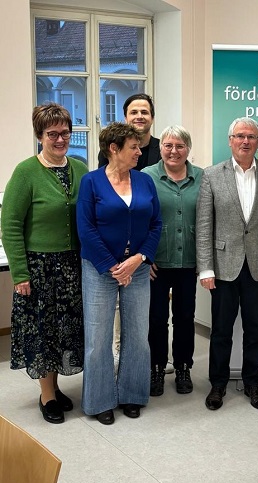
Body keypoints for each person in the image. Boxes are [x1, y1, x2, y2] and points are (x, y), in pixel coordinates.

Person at [1, 103, 87, 424]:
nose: (60, 139)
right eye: (53, 134)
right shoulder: (26, 172)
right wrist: (20, 273)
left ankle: (55, 386)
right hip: (39, 268)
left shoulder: (79, 168)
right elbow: (9, 224)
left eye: (65, 132)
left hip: (72, 265)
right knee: (44, 329)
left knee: (64, 329)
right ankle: (47, 395)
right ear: (40, 136)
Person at [196, 117, 258, 411]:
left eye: (251, 137)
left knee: (255, 330)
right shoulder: (212, 175)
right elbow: (204, 225)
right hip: (223, 267)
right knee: (221, 331)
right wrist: (206, 267)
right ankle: (218, 384)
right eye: (240, 136)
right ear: (230, 140)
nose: (245, 141)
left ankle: (252, 382)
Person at [77, 122, 161, 425]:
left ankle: (132, 395)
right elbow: (85, 229)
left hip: (137, 268)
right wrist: (114, 267)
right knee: (98, 337)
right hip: (100, 268)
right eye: (134, 147)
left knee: (138, 335)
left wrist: (138, 259)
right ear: (114, 149)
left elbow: (156, 225)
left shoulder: (145, 181)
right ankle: (100, 400)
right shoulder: (91, 182)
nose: (140, 151)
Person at [142, 126, 203, 397]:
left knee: (184, 318)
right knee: (156, 318)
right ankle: (156, 367)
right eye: (168, 145)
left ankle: (182, 367)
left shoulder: (202, 177)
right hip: (156, 263)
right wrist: (144, 255)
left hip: (188, 262)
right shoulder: (146, 177)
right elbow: (137, 217)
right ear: (161, 148)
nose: (173, 151)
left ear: (188, 148)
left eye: (179, 145)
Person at [98, 93, 160, 169]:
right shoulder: (112, 150)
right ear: (126, 118)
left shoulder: (163, 149)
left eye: (144, 112)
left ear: (152, 118)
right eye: (134, 112)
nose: (139, 116)